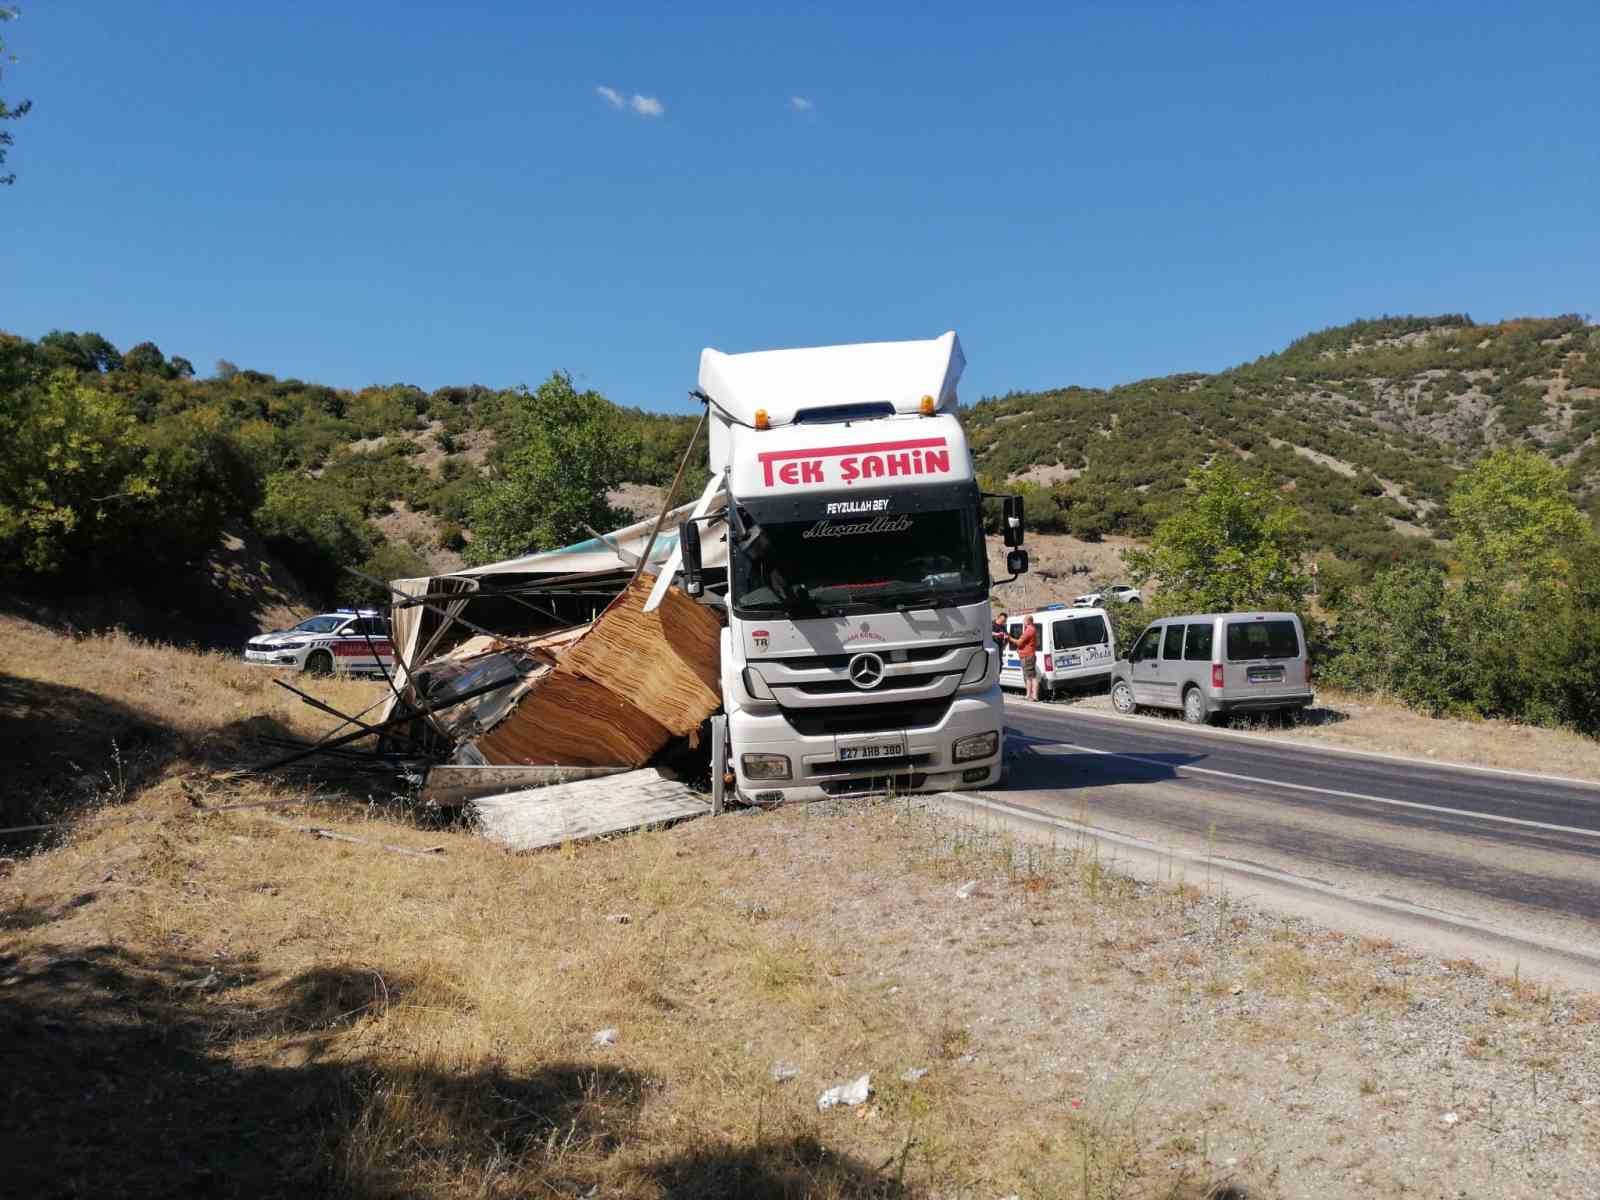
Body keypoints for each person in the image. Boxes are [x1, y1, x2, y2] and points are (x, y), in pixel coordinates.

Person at [1016, 614, 1040, 701]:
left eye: (1024, 620)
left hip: (1027, 656)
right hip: (1030, 654)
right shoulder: (1033, 630)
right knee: (1030, 676)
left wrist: (1010, 638)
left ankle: (1032, 696)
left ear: (1028, 621)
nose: (1024, 622)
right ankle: (1030, 695)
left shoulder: (1029, 630)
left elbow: (1019, 642)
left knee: (1031, 676)